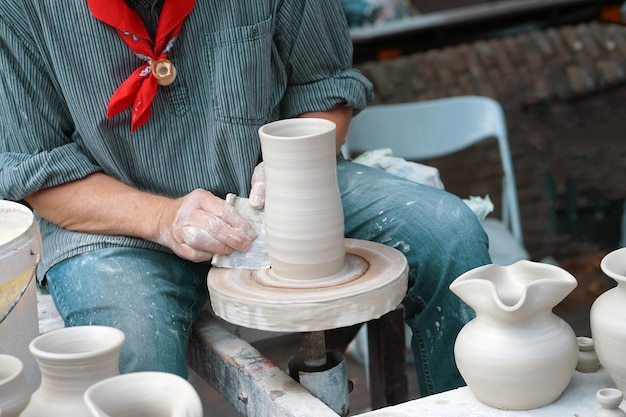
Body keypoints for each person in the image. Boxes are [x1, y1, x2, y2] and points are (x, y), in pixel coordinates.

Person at [0, 0, 491, 396]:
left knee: (448, 235)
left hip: (266, 187)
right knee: (133, 349)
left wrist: (294, 162)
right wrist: (165, 218)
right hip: (117, 218)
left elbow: (325, 85)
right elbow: (37, 171)